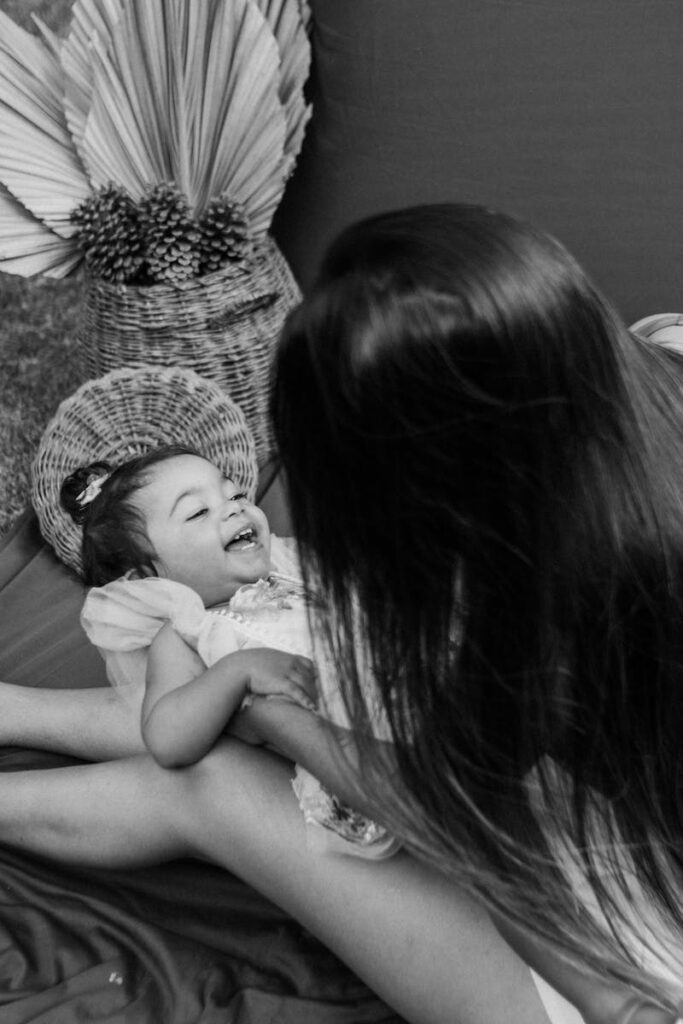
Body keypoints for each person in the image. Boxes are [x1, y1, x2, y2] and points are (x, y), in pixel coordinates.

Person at [0, 203, 679, 1024]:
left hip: (630, 958)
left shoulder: (530, 618)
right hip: (609, 846)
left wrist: (280, 722)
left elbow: (462, 825)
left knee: (206, 772)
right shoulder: (653, 378)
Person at [60, 444, 398, 858]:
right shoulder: (187, 632)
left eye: (235, 495)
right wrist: (236, 672)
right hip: (352, 760)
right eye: (198, 512)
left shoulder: (288, 571)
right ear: (147, 576)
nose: (235, 509)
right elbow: (166, 738)